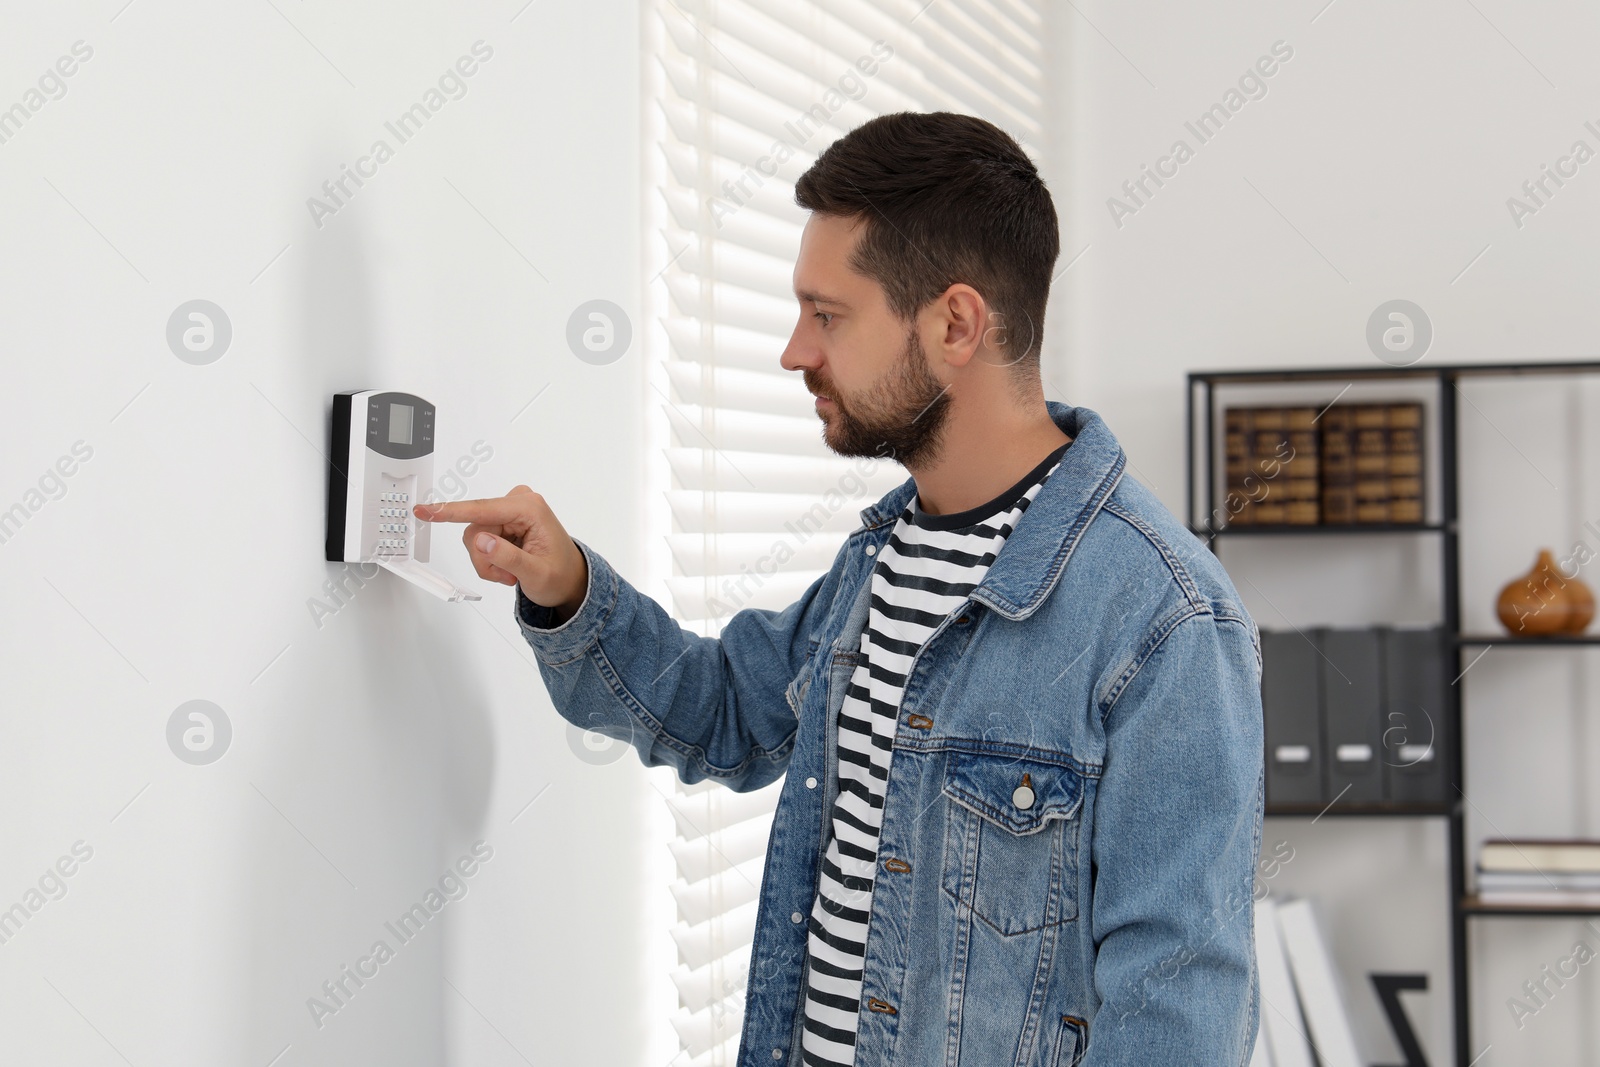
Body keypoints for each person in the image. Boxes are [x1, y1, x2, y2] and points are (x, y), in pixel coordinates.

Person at [417, 111, 1264, 1067]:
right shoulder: (884, 557)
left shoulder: (1166, 620)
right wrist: (568, 587)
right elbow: (728, 714)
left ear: (955, 323)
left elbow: (1177, 1006)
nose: (794, 350)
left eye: (828, 315)